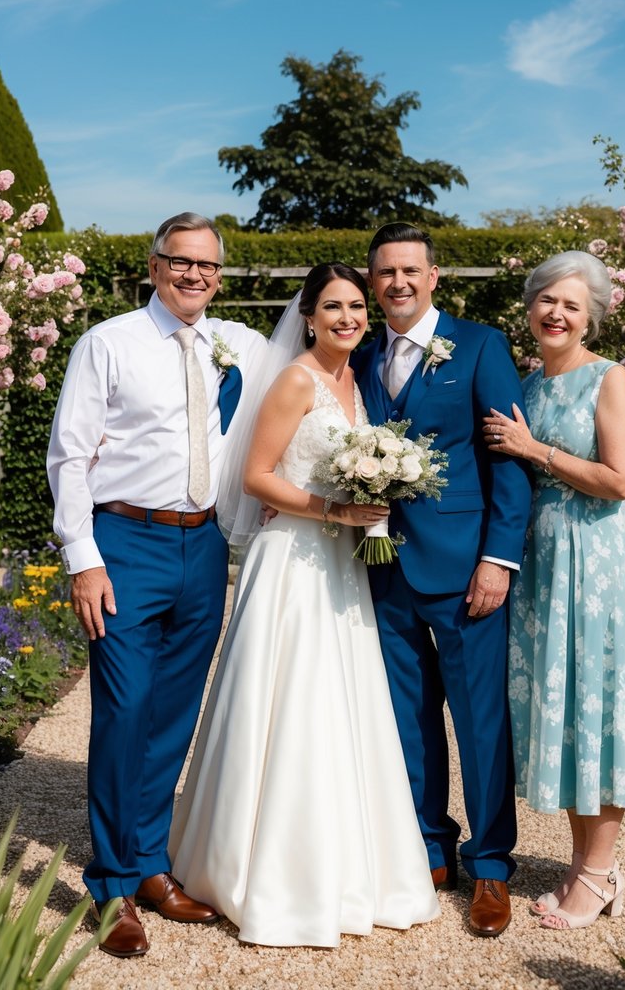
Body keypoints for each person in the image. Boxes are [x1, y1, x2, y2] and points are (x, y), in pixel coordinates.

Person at [168, 263, 440, 948]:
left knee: (342, 702)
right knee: (288, 698)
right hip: (292, 557)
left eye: (355, 306)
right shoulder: (295, 379)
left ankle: (350, 864)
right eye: (331, 307)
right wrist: (331, 507)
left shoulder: (358, 381)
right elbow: (258, 476)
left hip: (342, 566)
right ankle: (269, 872)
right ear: (308, 316)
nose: (347, 317)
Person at [47, 212, 266, 959]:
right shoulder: (107, 342)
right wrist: (84, 557)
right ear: (154, 265)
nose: (194, 275)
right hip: (125, 543)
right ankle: (109, 884)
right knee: (124, 708)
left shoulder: (228, 345)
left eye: (207, 266)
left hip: (201, 546)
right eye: (181, 262)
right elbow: (69, 455)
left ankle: (148, 864)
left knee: (174, 712)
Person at [483, 250, 625, 931]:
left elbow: (620, 479)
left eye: (570, 304)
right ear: (529, 309)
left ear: (589, 314)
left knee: (595, 706)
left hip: (592, 564)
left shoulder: (608, 378)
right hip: (541, 565)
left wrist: (534, 451)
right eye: (546, 301)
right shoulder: (527, 387)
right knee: (564, 711)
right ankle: (582, 866)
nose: (556, 313)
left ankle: (597, 873)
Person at [352, 223, 532, 938]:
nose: (397, 282)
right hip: (381, 566)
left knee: (480, 722)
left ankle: (490, 866)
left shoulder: (480, 345)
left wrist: (498, 557)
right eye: (385, 272)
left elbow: (506, 463)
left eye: (409, 271)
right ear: (373, 283)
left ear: (433, 277)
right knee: (407, 720)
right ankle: (431, 847)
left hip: (465, 570)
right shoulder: (361, 352)